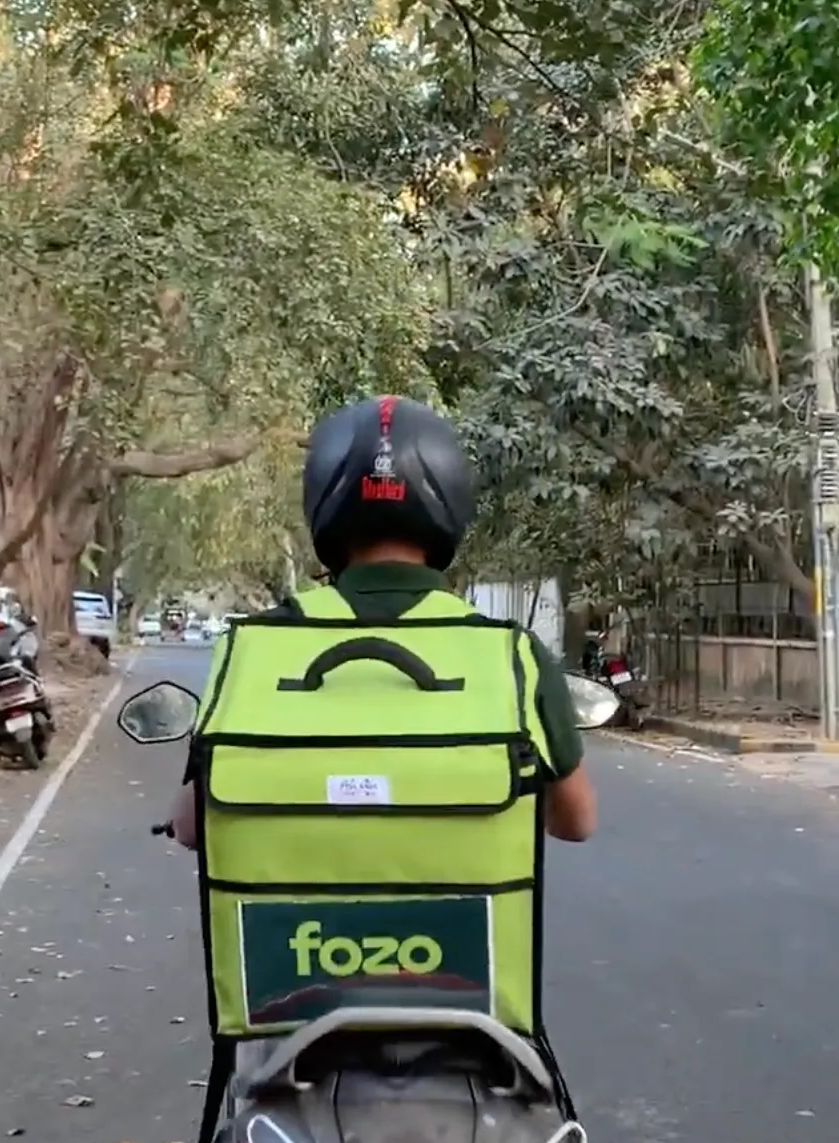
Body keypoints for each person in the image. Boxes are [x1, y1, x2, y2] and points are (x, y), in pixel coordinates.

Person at [159, 392, 596, 1043]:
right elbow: (576, 822)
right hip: (468, 1007)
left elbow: (194, 829)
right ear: (450, 506)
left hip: (285, 1008)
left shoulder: (247, 651)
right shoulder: (511, 655)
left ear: (324, 508)